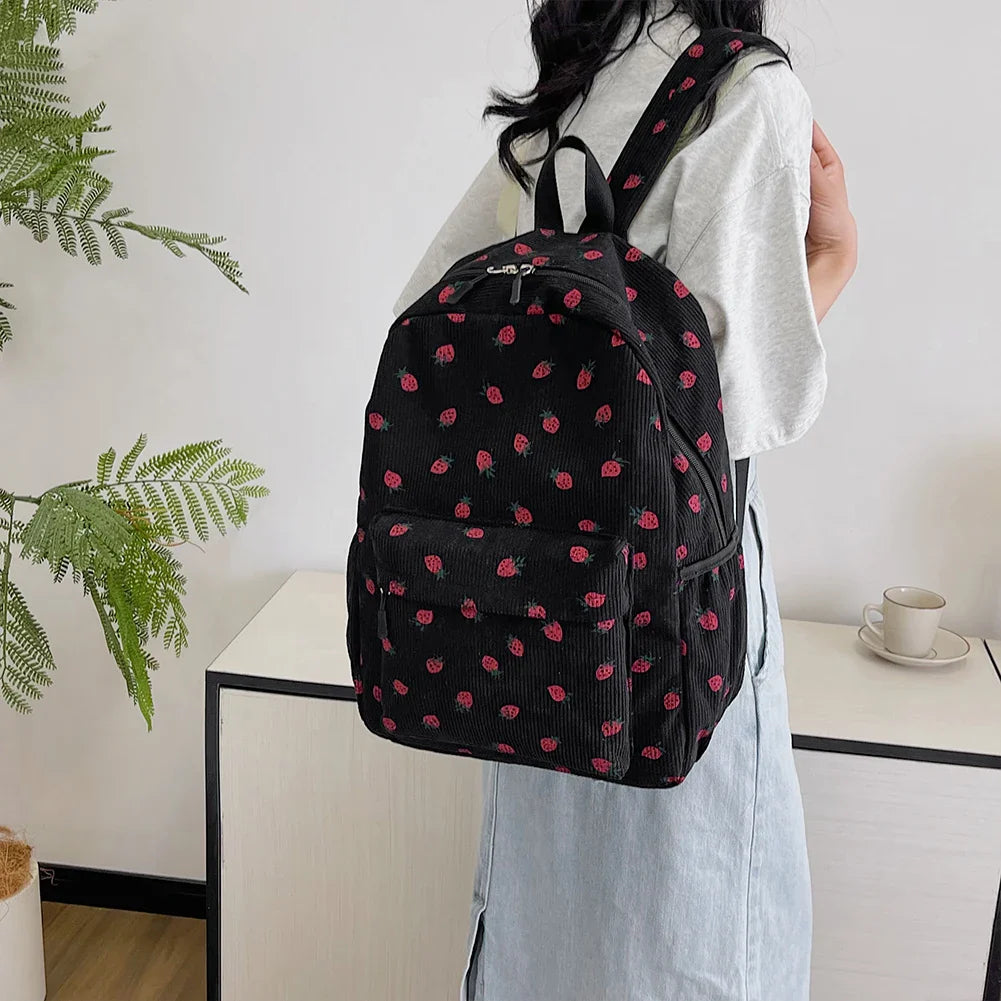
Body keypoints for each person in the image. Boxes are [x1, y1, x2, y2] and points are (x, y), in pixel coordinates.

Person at [394, 3, 857, 999]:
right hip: (674, 601)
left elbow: (428, 315)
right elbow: (732, 406)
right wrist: (830, 264)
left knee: (543, 925)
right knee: (690, 928)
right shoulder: (748, 94)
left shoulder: (576, 85)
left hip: (533, 601)